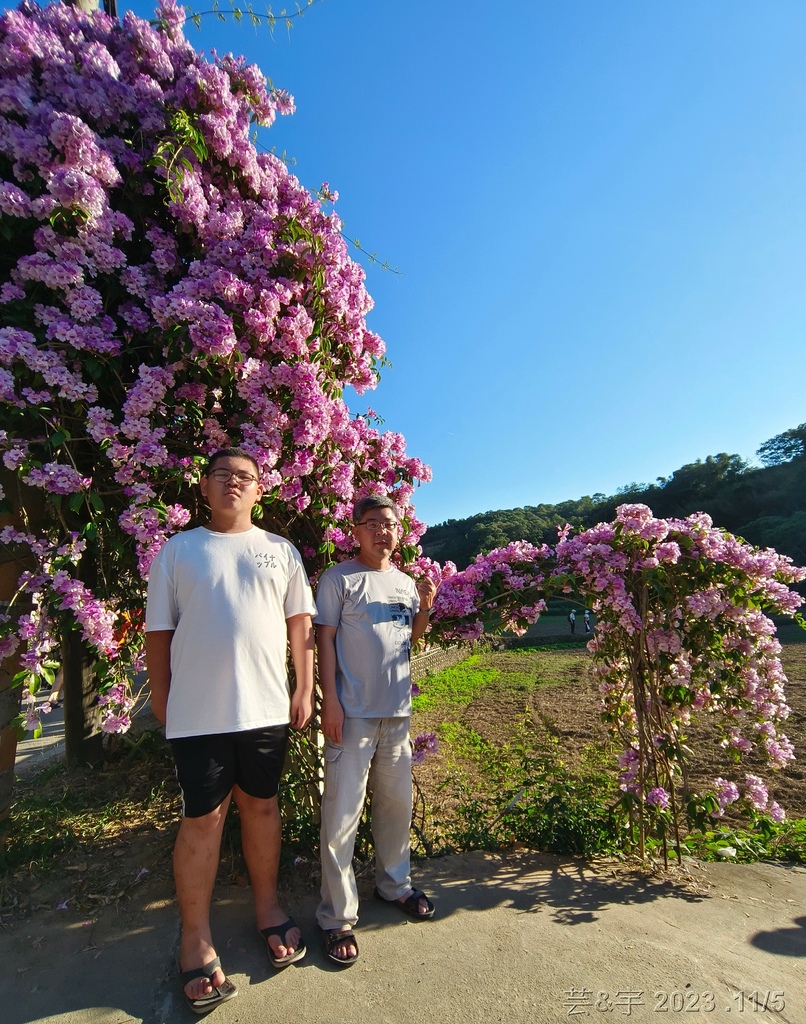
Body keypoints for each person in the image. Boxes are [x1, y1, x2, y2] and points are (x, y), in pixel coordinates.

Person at [145, 448, 316, 1014]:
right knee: (204, 818)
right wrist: (164, 698)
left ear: (259, 489)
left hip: (266, 709)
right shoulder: (179, 550)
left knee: (262, 808)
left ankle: (267, 907)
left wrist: (302, 688)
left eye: (245, 477)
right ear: (204, 485)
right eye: (223, 475)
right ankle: (195, 937)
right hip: (199, 714)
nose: (234, 484)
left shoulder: (280, 551)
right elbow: (159, 632)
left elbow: (301, 629)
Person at [315, 494, 438, 966]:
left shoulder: (406, 583)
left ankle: (394, 885)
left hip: (397, 714)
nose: (382, 531)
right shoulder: (339, 579)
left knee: (395, 807)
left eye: (389, 523)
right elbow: (322, 639)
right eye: (372, 524)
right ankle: (336, 916)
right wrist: (331, 703)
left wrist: (424, 607)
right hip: (353, 714)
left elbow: (410, 640)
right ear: (356, 530)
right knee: (341, 816)